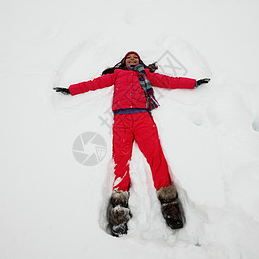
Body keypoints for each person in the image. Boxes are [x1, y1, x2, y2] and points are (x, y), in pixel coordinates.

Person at [54, 51, 210, 237]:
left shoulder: (147, 75)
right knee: (121, 161)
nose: (132, 60)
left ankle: (170, 205)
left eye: (135, 58)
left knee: (156, 157)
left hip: (143, 118)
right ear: (124, 62)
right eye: (129, 58)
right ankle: (119, 211)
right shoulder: (117, 75)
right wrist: (71, 90)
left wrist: (193, 83)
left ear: (140, 61)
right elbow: (93, 84)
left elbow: (169, 81)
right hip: (121, 121)